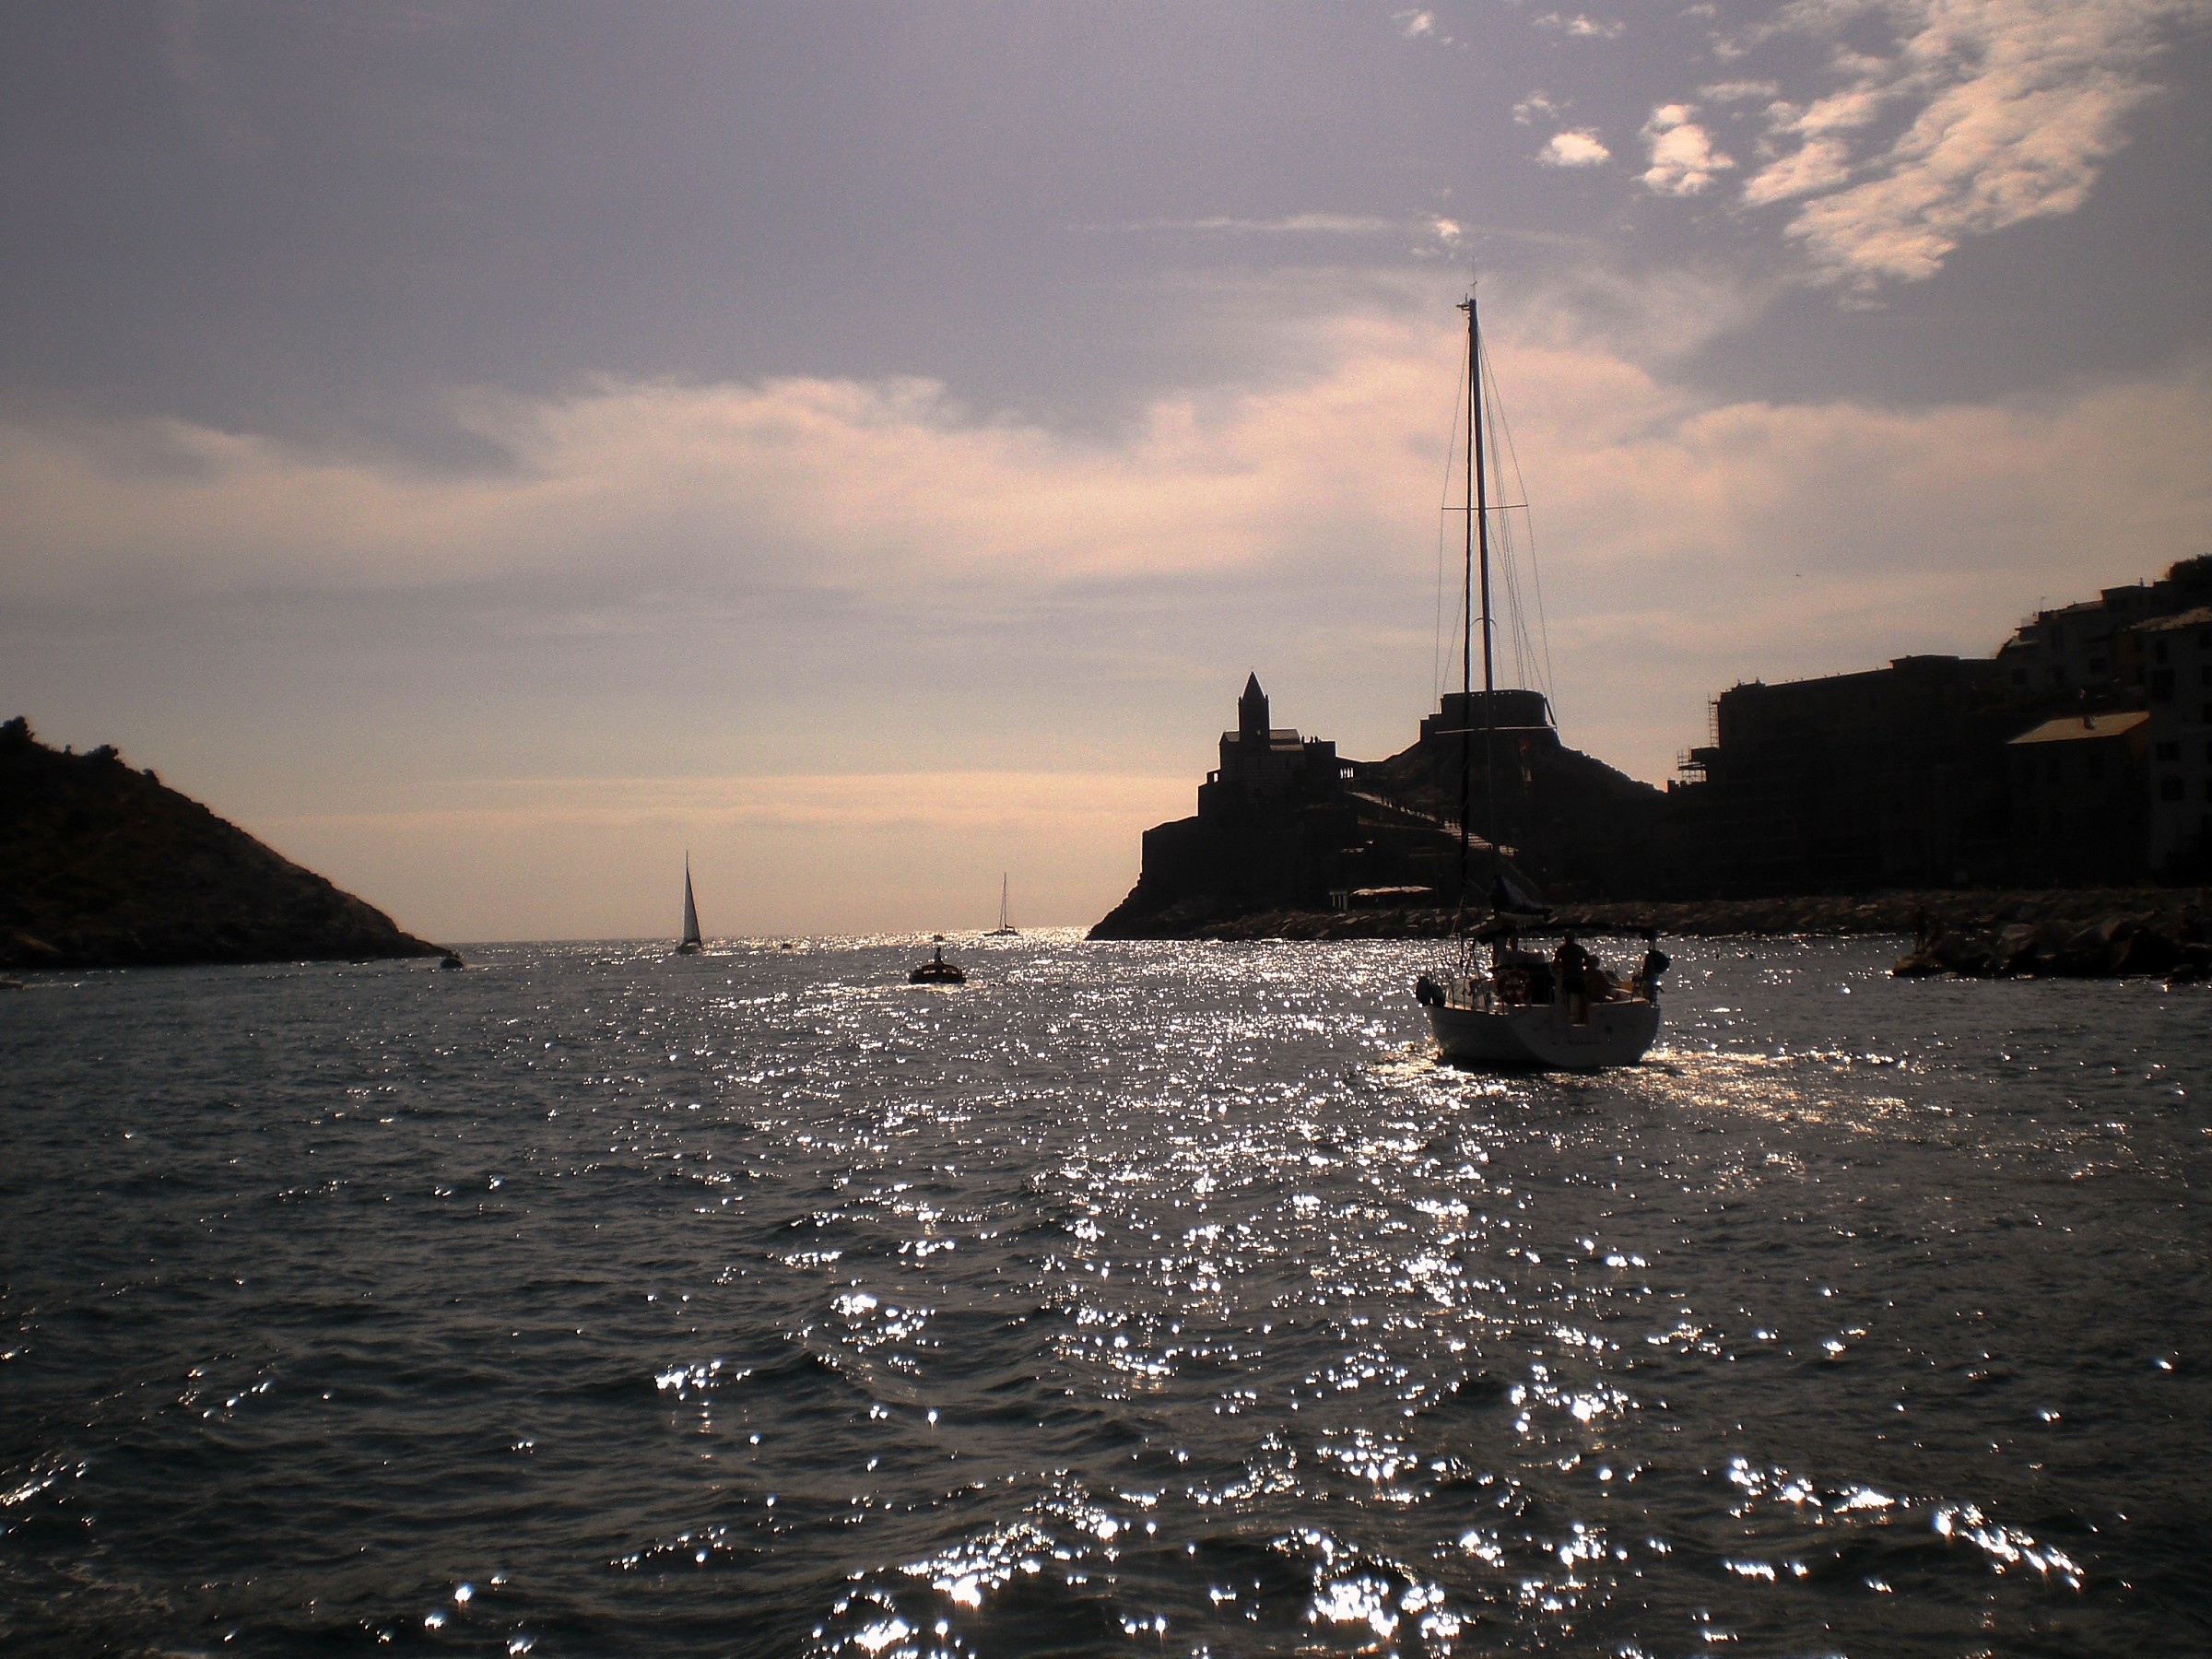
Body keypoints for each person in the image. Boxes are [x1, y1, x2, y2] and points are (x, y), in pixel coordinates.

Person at [1636, 931, 1671, 1002]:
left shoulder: (1658, 964)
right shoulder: (1657, 961)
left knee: (1649, 980)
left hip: (1656, 965)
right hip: (1655, 965)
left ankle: (1649, 997)